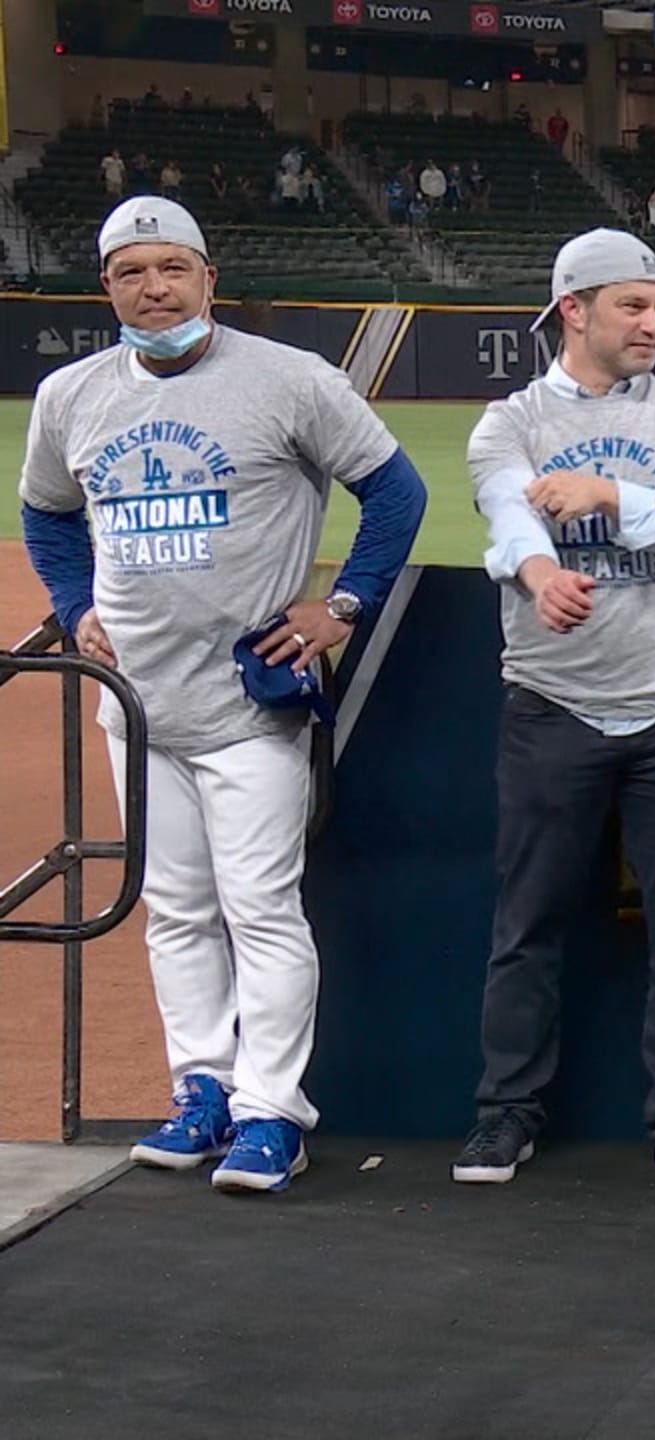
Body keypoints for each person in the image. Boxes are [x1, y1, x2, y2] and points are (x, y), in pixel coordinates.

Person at [16, 197, 428, 1193]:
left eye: (171, 269)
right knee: (177, 912)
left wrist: (343, 604)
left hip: (253, 703)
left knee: (263, 911)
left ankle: (271, 1112)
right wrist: (74, 605)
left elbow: (396, 490)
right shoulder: (71, 397)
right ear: (106, 285)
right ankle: (200, 1088)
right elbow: (46, 512)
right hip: (137, 703)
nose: (153, 289)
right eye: (130, 272)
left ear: (208, 276)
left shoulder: (289, 381)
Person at [450, 229, 655, 1188]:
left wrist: (608, 494)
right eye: (634, 306)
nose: (654, 323)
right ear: (573, 309)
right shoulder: (511, 421)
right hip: (552, 701)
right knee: (527, 924)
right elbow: (508, 512)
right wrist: (539, 573)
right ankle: (505, 1115)